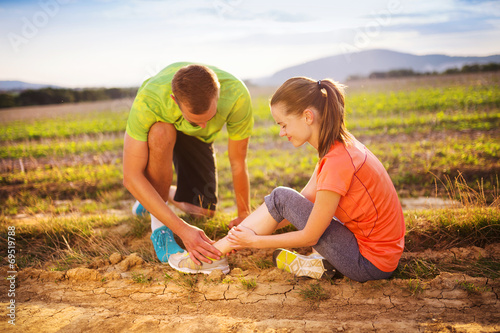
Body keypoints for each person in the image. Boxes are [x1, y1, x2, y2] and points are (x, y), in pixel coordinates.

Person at [168, 77, 405, 283]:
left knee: (282, 196)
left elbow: (309, 233)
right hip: (378, 255)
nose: (282, 132)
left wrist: (252, 241)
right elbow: (296, 205)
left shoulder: (336, 161)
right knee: (284, 199)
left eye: (283, 124)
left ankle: (208, 258)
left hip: (369, 264)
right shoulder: (339, 148)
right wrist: (242, 236)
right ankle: (219, 253)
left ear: (307, 116)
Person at [123, 62, 253, 266]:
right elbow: (131, 176)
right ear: (175, 101)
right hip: (163, 127)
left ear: (218, 94)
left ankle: (150, 198)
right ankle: (159, 228)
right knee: (161, 132)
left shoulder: (237, 95)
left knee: (202, 211)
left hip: (198, 140)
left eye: (210, 118)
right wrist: (182, 229)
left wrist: (244, 213)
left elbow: (238, 161)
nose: (204, 125)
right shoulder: (149, 100)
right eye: (196, 121)